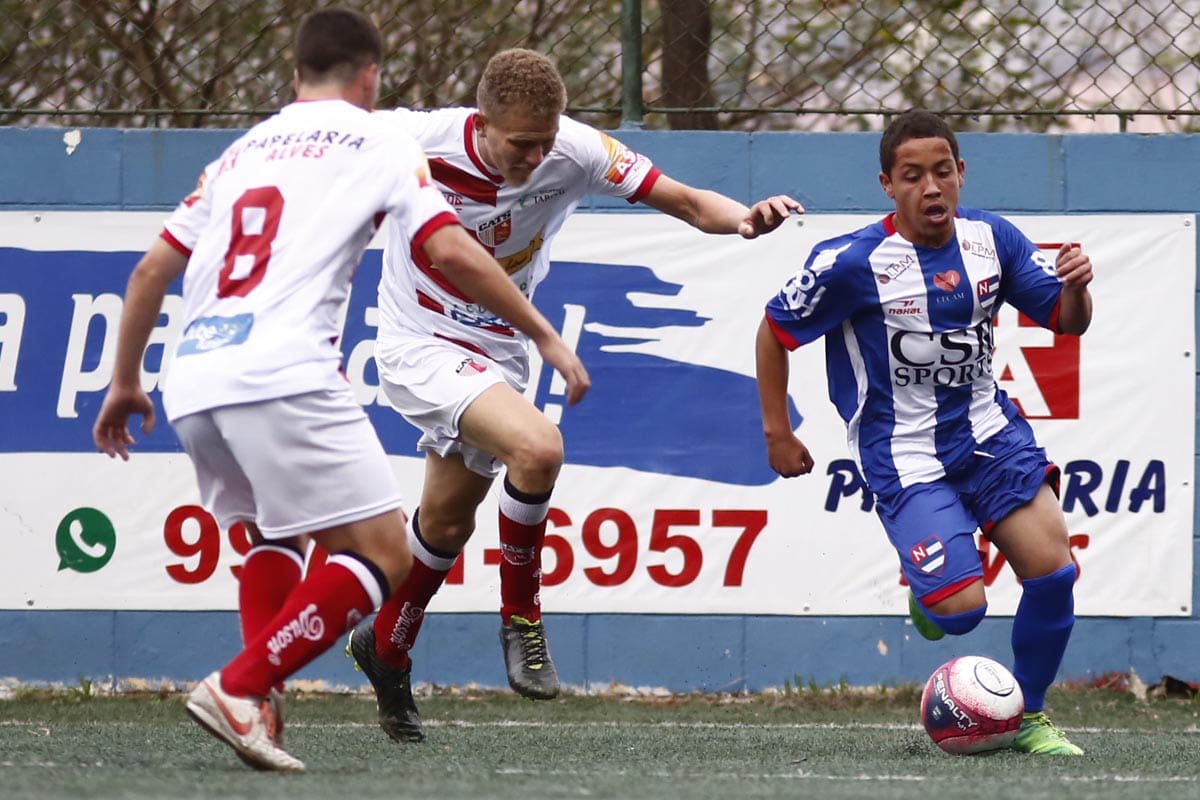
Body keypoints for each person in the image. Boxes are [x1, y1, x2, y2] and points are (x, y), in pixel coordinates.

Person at [91, 10, 587, 772]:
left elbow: (150, 272)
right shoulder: (381, 139)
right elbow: (449, 245)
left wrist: (125, 381)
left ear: (295, 77)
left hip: (193, 376)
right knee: (386, 552)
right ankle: (239, 685)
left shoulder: (242, 151)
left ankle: (260, 706)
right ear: (371, 78)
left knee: (275, 535)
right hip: (283, 372)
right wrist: (544, 334)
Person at [340, 48, 803, 743]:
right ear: (483, 123)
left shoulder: (578, 148)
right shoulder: (418, 140)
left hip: (497, 347)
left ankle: (387, 644)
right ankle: (522, 621)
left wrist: (743, 219)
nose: (534, 156)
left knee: (443, 525)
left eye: (545, 142)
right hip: (417, 341)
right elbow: (336, 156)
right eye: (520, 144)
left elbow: (684, 201)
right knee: (539, 447)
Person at [754, 109, 1092, 756]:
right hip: (904, 451)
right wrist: (777, 432)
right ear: (888, 183)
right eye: (913, 176)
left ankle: (1030, 717)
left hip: (990, 433)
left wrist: (1077, 288)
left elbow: (1066, 321)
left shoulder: (992, 240)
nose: (930, 188)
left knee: (1053, 574)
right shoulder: (851, 262)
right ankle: (933, 595)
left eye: (942, 172)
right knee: (961, 612)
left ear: (961, 174)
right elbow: (774, 331)